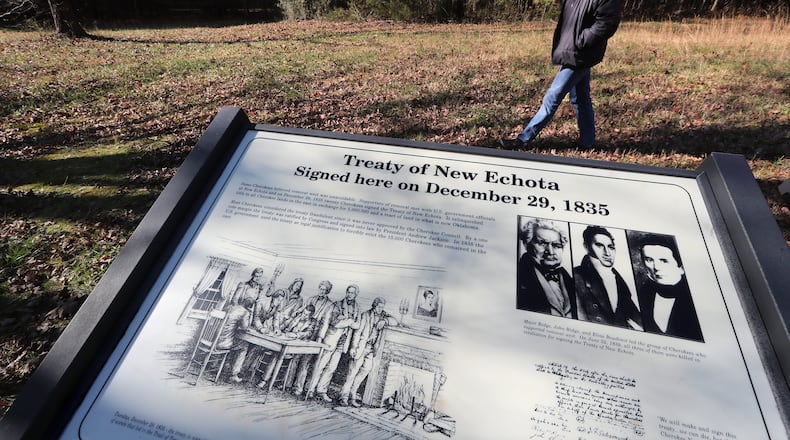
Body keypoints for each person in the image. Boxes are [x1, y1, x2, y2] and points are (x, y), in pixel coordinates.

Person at [501, 0, 623, 149]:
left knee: (552, 97)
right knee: (581, 99)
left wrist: (581, 40)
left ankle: (523, 139)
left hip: (580, 54)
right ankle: (588, 142)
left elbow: (607, 24)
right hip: (573, 50)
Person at [636, 235, 703, 342]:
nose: (656, 267)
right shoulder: (643, 292)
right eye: (649, 260)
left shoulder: (697, 297)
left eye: (664, 260)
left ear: (681, 267)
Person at [573, 226, 642, 329]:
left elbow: (635, 317)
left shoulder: (619, 280)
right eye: (600, 246)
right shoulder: (576, 276)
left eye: (610, 247)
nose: (607, 253)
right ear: (586, 247)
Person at [305, 284, 361, 402]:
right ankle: (310, 389)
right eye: (348, 292)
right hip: (331, 338)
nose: (350, 295)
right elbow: (334, 322)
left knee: (332, 367)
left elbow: (358, 326)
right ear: (346, 292)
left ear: (356, 294)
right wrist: (349, 322)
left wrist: (347, 322)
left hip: (343, 341)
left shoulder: (357, 308)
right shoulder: (337, 305)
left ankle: (321, 390)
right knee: (320, 365)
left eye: (352, 293)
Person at [338, 298, 397, 407]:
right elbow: (358, 332)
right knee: (352, 372)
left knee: (365, 370)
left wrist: (385, 321)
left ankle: (352, 395)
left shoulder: (383, 316)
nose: (381, 309)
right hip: (361, 347)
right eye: (379, 306)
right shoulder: (365, 315)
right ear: (374, 306)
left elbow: (395, 321)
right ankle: (344, 396)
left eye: (382, 307)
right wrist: (354, 347)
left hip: (371, 349)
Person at [516, 218, 577, 318]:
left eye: (556, 245)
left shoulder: (570, 279)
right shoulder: (518, 277)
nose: (551, 252)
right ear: (526, 244)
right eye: (542, 243)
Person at [291, 280, 336, 397]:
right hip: (302, 330)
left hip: (315, 334)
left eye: (324, 290)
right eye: (320, 289)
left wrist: (320, 337)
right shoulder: (311, 299)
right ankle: (288, 384)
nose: (321, 291)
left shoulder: (330, 305)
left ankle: (299, 388)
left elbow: (325, 323)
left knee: (305, 362)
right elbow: (302, 311)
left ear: (327, 291)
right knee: (295, 357)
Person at [224, 297, 255, 383]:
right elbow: (245, 327)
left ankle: (226, 366)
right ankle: (234, 374)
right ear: (249, 306)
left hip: (214, 338)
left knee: (238, 343)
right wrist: (250, 314)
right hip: (224, 342)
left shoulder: (230, 307)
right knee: (244, 347)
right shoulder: (244, 312)